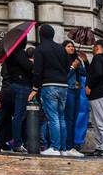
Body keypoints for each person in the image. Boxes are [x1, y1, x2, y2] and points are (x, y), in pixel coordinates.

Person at [29, 23, 72, 155]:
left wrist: (35, 88)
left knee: (53, 117)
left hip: (49, 85)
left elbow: (37, 71)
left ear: (41, 35)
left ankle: (54, 147)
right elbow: (67, 67)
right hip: (64, 86)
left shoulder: (40, 49)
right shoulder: (61, 49)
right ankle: (63, 148)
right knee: (61, 117)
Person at [2, 36, 33, 152]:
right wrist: (32, 63)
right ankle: (17, 143)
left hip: (14, 86)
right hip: (22, 86)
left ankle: (16, 142)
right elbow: (28, 67)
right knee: (19, 116)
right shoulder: (19, 52)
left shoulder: (10, 52)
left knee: (17, 116)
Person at [86, 39, 103, 158]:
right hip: (98, 94)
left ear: (97, 47)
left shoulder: (98, 58)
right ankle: (100, 147)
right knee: (97, 122)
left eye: (93, 46)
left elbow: (97, 73)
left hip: (98, 93)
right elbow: (94, 72)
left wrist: (89, 86)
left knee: (100, 121)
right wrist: (86, 62)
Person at [63, 41, 86, 153]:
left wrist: (80, 63)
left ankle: (72, 144)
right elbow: (64, 76)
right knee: (69, 119)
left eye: (72, 46)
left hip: (77, 90)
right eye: (68, 46)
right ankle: (68, 145)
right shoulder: (63, 60)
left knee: (75, 119)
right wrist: (72, 67)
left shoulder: (76, 59)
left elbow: (84, 73)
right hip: (69, 90)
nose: (71, 48)